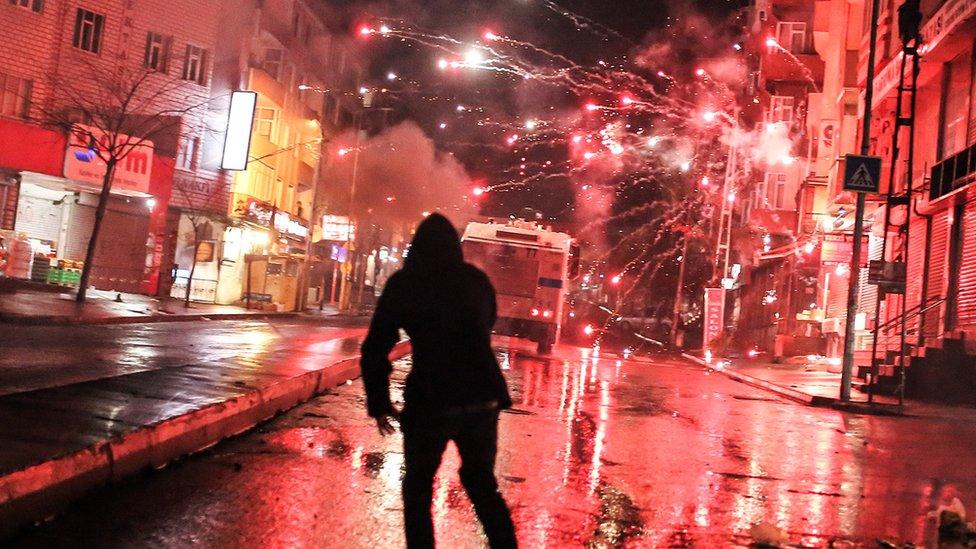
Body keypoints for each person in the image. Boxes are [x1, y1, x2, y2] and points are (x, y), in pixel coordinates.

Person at [360, 213, 517, 549]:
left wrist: (379, 402)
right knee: (480, 482)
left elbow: (376, 346)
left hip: (431, 398)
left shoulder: (405, 283)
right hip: (481, 396)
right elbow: (488, 320)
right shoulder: (475, 280)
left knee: (417, 486)